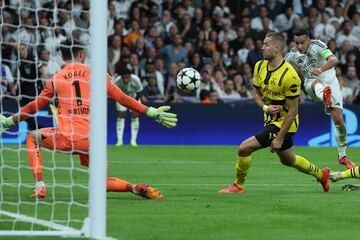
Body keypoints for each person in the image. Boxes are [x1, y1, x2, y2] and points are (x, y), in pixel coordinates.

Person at [0, 39, 178, 200]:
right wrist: (152, 112)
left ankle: (40, 187)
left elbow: (33, 107)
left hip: (66, 139)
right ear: (82, 54)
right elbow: (123, 99)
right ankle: (135, 188)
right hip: (93, 142)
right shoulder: (98, 74)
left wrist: (9, 122)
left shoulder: (55, 80)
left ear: (62, 56)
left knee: (32, 136)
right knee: (99, 185)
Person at [218, 32, 330, 193]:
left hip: (285, 123)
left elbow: (293, 110)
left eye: (266, 44)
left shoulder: (290, 75)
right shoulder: (259, 66)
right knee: (288, 159)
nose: (262, 47)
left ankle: (238, 185)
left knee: (244, 148)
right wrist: (265, 107)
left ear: (277, 48)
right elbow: (256, 93)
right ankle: (322, 174)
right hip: (270, 119)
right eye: (263, 44)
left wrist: (279, 137)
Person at [284, 28, 356, 169]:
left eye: (302, 43)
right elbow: (281, 67)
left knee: (339, 121)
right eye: (297, 43)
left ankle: (342, 156)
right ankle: (324, 94)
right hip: (311, 83)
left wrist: (320, 69)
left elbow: (333, 59)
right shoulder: (293, 54)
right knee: (315, 82)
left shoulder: (318, 45)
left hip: (330, 81)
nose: (299, 46)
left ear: (309, 40)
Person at [112, 67, 143, 147]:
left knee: (135, 115)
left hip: (134, 97)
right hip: (121, 98)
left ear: (130, 76)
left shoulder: (136, 79)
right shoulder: (117, 81)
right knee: (121, 116)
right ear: (121, 77)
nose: (125, 80)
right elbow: (112, 91)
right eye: (124, 78)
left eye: (127, 78)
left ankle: (133, 141)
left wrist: (134, 103)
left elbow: (139, 91)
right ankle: (119, 140)